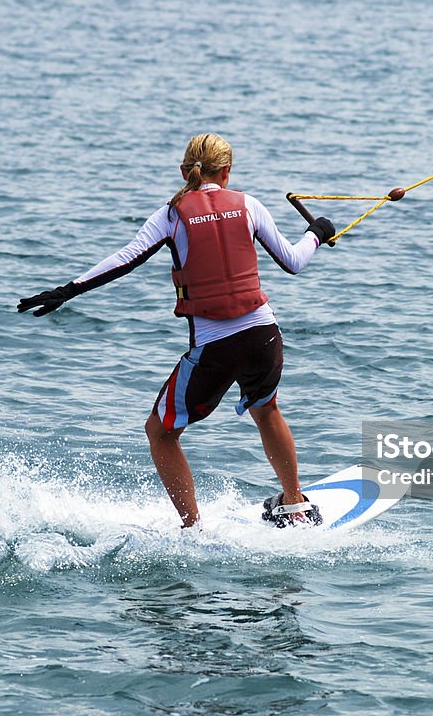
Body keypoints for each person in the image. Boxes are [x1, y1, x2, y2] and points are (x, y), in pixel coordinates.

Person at [18, 133, 335, 529]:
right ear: (228, 171)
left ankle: (192, 528)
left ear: (185, 171)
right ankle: (294, 504)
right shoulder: (248, 205)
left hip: (215, 347)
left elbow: (125, 259)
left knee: (161, 431)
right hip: (263, 336)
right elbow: (293, 261)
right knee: (266, 409)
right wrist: (317, 234)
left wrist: (67, 290)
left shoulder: (172, 214)